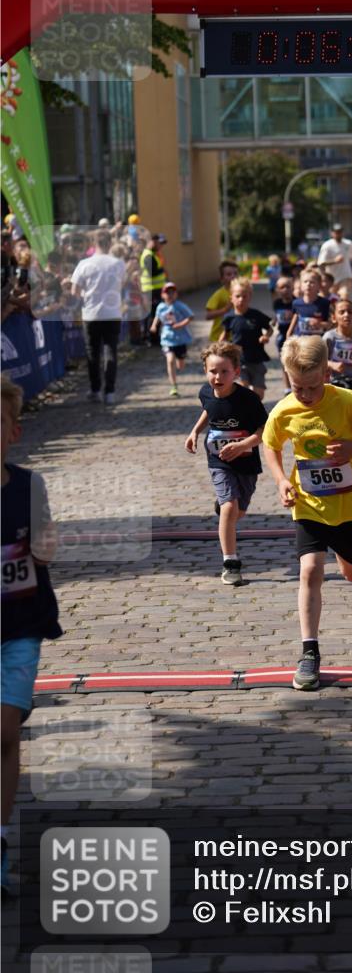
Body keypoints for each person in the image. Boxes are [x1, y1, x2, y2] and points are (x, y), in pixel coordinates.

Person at [262, 336, 352, 691]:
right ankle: (309, 652)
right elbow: (270, 445)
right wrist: (279, 481)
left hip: (348, 504)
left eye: (312, 386)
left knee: (350, 572)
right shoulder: (284, 410)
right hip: (308, 502)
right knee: (310, 569)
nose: (304, 394)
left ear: (326, 371)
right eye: (296, 386)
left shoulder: (347, 401)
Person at [1, 376, 62, 896]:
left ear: (13, 432)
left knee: (4, 732)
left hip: (19, 626)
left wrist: (40, 545)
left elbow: (46, 544)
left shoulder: (28, 484)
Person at [185, 342, 268, 586]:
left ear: (236, 372)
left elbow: (264, 431)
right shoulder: (205, 392)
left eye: (224, 372)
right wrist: (194, 432)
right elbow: (208, 411)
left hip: (246, 463)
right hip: (218, 461)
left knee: (236, 512)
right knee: (230, 508)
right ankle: (230, 563)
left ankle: (224, 508)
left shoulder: (248, 400)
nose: (218, 377)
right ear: (205, 371)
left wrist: (243, 446)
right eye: (212, 371)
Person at [70, 228, 126, 405]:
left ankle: (95, 389)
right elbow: (121, 285)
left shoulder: (84, 264)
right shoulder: (118, 264)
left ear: (94, 244)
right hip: (112, 313)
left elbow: (74, 291)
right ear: (110, 243)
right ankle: (110, 392)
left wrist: (88, 295)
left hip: (92, 313)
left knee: (92, 353)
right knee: (111, 352)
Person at [222, 278, 273, 401]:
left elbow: (269, 328)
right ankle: (245, 414)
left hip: (256, 359)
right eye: (238, 296)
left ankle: (254, 408)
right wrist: (220, 346)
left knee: (258, 394)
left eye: (245, 296)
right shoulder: (229, 318)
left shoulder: (256, 315)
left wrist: (266, 336)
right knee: (242, 388)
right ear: (231, 298)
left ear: (250, 297)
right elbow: (224, 335)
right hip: (239, 359)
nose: (241, 299)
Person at [150, 282, 194, 397]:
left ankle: (180, 362)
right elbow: (157, 316)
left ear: (176, 294)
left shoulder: (180, 306)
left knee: (180, 364)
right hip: (166, 339)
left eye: (172, 292)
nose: (170, 295)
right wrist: (154, 325)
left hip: (180, 339)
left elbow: (191, 317)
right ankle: (173, 385)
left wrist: (180, 325)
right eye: (167, 292)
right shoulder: (161, 307)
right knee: (170, 360)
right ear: (162, 295)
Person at [285, 268, 331, 338]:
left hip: (317, 341)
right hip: (301, 340)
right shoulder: (296, 303)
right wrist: (288, 334)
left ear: (319, 285)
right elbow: (295, 318)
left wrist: (320, 324)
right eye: (305, 282)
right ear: (301, 285)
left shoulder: (325, 303)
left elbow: (332, 324)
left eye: (312, 282)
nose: (308, 284)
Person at [139, 234, 168, 344]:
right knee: (152, 314)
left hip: (155, 289)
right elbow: (153, 272)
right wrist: (162, 270)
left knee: (156, 313)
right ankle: (151, 338)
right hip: (150, 290)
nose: (159, 245)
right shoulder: (148, 255)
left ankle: (153, 336)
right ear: (151, 242)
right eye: (157, 242)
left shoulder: (153, 254)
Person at [272, 275, 295, 395]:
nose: (285, 289)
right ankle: (287, 387)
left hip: (295, 336)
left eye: (288, 286)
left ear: (293, 288)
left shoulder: (297, 302)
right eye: (282, 287)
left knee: (296, 361)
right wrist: (273, 321)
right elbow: (276, 316)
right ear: (277, 289)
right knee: (284, 362)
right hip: (282, 335)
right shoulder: (277, 303)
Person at [205, 260, 238, 343]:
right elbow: (208, 315)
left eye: (235, 273)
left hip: (236, 335)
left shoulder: (241, 293)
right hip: (219, 337)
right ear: (222, 279)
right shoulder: (219, 294)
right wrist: (225, 309)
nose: (233, 276)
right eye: (229, 274)